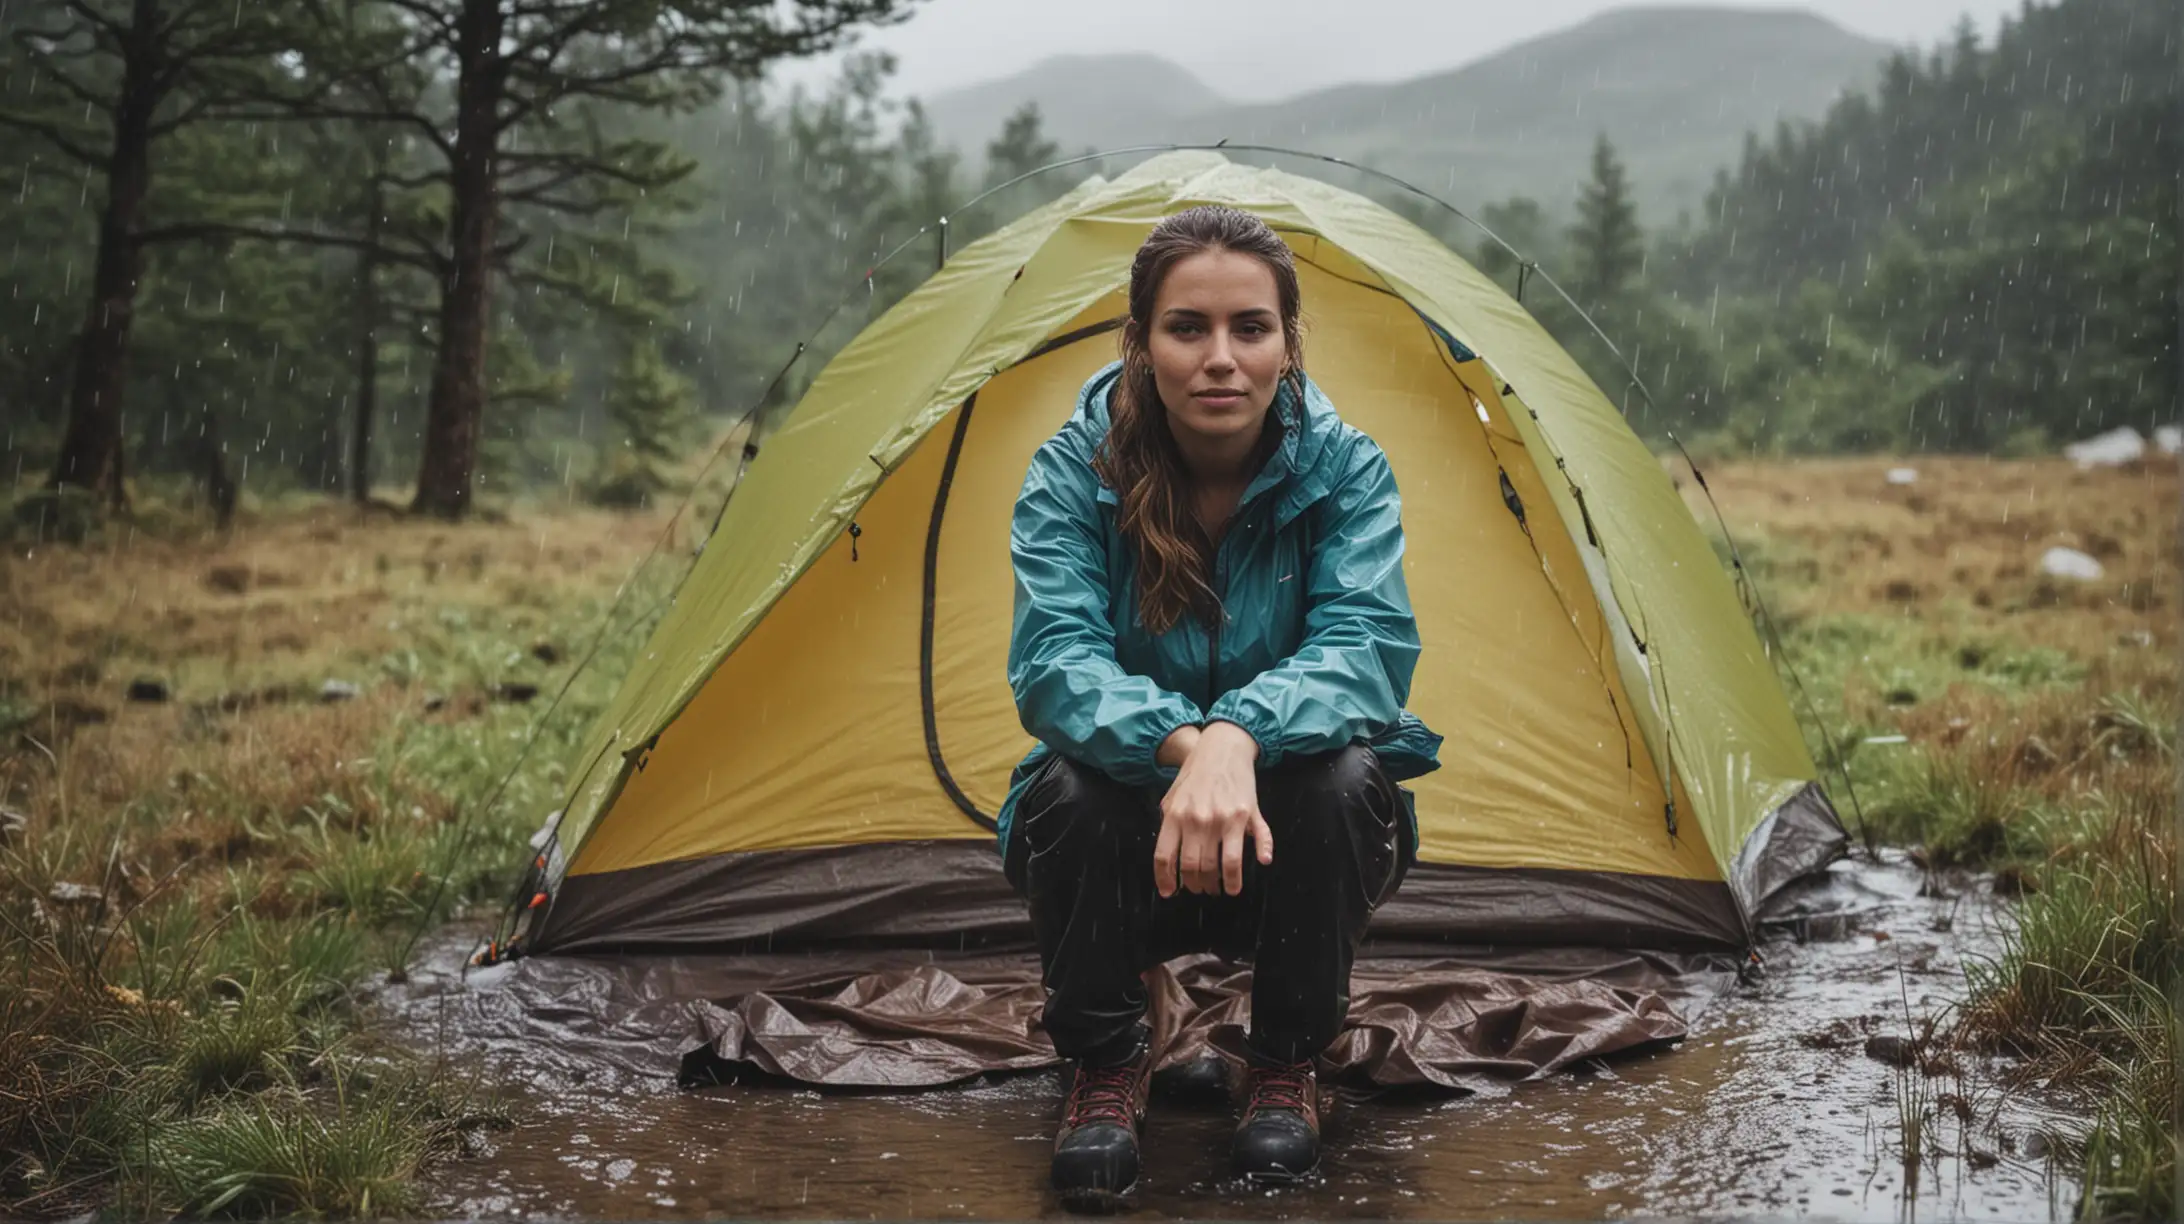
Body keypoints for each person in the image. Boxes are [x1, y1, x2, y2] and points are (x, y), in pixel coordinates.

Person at [998, 204, 1442, 1204]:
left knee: (1347, 775)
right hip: (1128, 827)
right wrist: (1186, 743)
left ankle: (1285, 1063)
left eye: (1251, 327)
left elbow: (1366, 649)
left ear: (1288, 345)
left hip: (1287, 836)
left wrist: (1242, 736)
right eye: (1186, 327)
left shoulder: (1346, 472)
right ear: (1142, 343)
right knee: (1064, 788)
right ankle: (1108, 1066)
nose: (1221, 357)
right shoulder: (1076, 470)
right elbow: (1053, 659)